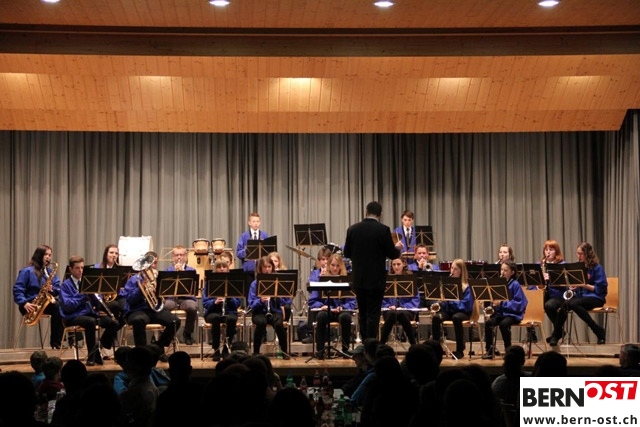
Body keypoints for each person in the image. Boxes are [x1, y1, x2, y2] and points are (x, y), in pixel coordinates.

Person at [344, 201, 401, 340]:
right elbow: (392, 254)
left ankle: (364, 343)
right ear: (380, 214)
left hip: (359, 279)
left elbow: (347, 253)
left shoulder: (352, 229)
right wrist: (398, 248)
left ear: (366, 212)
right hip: (376, 280)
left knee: (362, 313)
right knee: (373, 314)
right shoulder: (383, 230)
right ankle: (371, 343)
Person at [58, 255, 122, 366]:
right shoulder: (65, 285)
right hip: (72, 316)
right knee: (90, 322)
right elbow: (68, 306)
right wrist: (82, 295)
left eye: (82, 268)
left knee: (114, 323)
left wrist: (97, 297)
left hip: (89, 314)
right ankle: (92, 356)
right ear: (71, 269)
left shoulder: (88, 282)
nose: (80, 270)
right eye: (77, 268)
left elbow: (97, 303)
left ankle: (98, 347)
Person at [123, 251, 181, 361]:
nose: (152, 266)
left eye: (155, 263)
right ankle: (142, 354)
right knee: (138, 320)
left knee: (175, 321)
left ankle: (157, 348)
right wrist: (141, 289)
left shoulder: (157, 278)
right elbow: (130, 300)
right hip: (137, 310)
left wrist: (160, 288)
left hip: (154, 309)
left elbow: (164, 296)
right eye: (150, 263)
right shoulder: (134, 279)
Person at [548, 242, 607, 346]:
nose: (578, 256)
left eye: (581, 254)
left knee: (573, 304)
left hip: (596, 297)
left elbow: (600, 289)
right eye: (577, 253)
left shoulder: (597, 268)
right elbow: (578, 285)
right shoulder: (578, 267)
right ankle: (557, 334)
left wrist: (583, 285)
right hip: (581, 297)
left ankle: (596, 329)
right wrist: (574, 286)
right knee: (566, 304)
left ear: (587, 254)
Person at [13, 244, 64, 349]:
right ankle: (56, 342)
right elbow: (18, 289)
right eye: (46, 254)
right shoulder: (27, 271)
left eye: (50, 255)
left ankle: (57, 342)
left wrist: (52, 289)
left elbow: (58, 289)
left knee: (62, 306)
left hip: (44, 303)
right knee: (58, 306)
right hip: (30, 304)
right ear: (39, 255)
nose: (48, 257)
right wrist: (24, 303)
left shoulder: (50, 272)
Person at [308, 254, 356, 359]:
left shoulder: (346, 280)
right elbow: (312, 300)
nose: (335, 268)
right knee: (321, 316)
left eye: (337, 266)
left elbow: (352, 301)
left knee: (346, 317)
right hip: (327, 309)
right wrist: (322, 306)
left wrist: (343, 307)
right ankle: (320, 350)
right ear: (329, 265)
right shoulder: (322, 279)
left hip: (340, 310)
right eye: (333, 265)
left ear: (341, 267)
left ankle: (345, 350)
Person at [482, 260, 528, 359]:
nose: (502, 272)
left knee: (503, 325)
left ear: (512, 272)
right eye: (501, 270)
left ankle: (508, 350)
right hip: (501, 314)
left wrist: (502, 303)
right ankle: (489, 350)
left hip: (513, 314)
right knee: (489, 323)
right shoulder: (499, 284)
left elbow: (519, 304)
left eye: (505, 270)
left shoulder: (515, 284)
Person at [248, 256, 291, 359]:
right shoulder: (255, 284)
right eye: (264, 267)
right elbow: (251, 304)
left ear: (272, 268)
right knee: (261, 322)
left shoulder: (277, 282)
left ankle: (284, 351)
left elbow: (286, 301)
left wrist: (277, 296)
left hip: (275, 310)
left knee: (279, 324)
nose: (267, 269)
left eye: (269, 267)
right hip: (259, 312)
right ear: (260, 268)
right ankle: (256, 351)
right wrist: (261, 300)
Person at [430, 259, 475, 359]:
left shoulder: (467, 286)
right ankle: (436, 349)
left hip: (463, 312)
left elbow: (466, 305)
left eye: (455, 269)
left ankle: (460, 350)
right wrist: (441, 301)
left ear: (461, 271)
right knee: (436, 318)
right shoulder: (447, 285)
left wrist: (450, 301)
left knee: (456, 318)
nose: (452, 271)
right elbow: (446, 305)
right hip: (449, 311)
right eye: (452, 268)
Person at [203, 258, 242, 361]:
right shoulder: (209, 283)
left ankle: (226, 348)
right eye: (219, 267)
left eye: (224, 267)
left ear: (227, 269)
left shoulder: (233, 282)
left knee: (232, 319)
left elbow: (237, 303)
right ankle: (216, 349)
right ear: (215, 269)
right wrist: (214, 302)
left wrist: (229, 298)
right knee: (215, 318)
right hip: (212, 312)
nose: (221, 269)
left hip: (229, 311)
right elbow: (205, 303)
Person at [162, 245, 198, 345]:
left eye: (181, 255)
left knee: (192, 307)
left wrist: (183, 273)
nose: (179, 257)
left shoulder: (191, 271)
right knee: (163, 307)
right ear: (173, 257)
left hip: (186, 298)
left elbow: (193, 291)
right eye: (177, 255)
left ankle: (187, 333)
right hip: (171, 299)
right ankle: (167, 335)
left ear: (185, 256)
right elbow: (165, 291)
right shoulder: (168, 271)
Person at [380, 257, 420, 346]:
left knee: (401, 313)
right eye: (394, 264)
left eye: (398, 264)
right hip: (390, 310)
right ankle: (382, 343)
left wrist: (404, 307)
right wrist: (389, 306)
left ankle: (413, 344)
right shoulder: (387, 279)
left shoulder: (410, 279)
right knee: (392, 314)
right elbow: (382, 298)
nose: (396, 267)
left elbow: (416, 298)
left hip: (407, 310)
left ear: (404, 264)